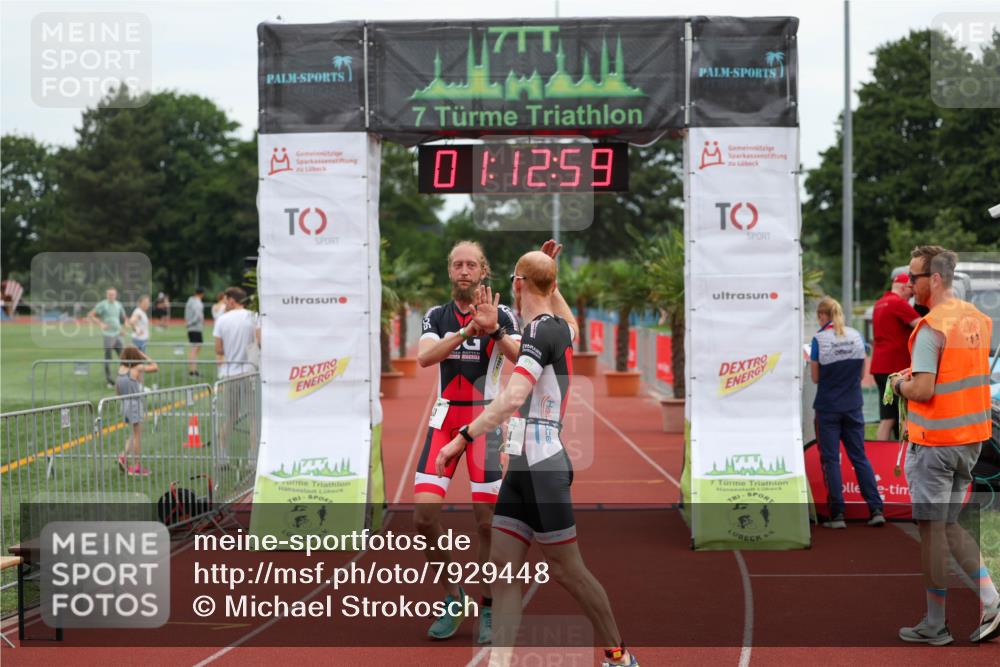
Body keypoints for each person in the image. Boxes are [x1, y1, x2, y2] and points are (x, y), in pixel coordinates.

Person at [436, 245, 639, 667]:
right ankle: (500, 661)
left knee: (568, 570)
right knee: (502, 568)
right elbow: (566, 319)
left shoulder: (539, 332)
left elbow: (513, 395)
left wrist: (462, 437)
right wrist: (547, 276)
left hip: (543, 465)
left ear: (517, 284)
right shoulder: (561, 327)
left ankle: (619, 657)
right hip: (522, 468)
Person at [414, 240, 522, 644]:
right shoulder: (437, 316)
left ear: (483, 271)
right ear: (449, 271)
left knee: (486, 523)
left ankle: (489, 606)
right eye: (457, 264)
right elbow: (425, 358)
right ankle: (452, 596)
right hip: (445, 420)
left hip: (485, 423)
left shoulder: (503, 312)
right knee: (422, 519)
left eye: (471, 265)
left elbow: (518, 357)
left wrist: (493, 328)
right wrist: (465, 330)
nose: (463, 271)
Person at [891, 246, 999, 645]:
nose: (909, 284)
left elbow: (923, 387)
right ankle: (990, 598)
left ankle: (935, 624)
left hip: (935, 442)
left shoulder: (931, 327)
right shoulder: (979, 320)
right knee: (948, 526)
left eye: (914, 277)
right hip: (969, 440)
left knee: (933, 532)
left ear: (934, 279)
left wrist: (899, 383)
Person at [810, 296, 885, 529]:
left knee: (831, 460)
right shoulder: (856, 336)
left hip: (827, 407)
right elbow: (862, 375)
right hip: (853, 405)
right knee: (859, 457)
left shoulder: (818, 340)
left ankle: (838, 514)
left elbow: (815, 377)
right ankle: (875, 509)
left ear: (823, 315)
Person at [871, 273, 921, 441]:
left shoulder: (879, 303)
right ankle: (903, 455)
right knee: (902, 415)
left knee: (887, 417)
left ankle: (880, 456)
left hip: (879, 366)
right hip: (894, 367)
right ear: (902, 287)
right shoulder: (898, 303)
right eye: (910, 291)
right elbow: (922, 326)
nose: (912, 296)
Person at [115, 346, 158, 477]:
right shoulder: (137, 368)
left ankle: (123, 456)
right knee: (137, 435)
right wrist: (144, 356)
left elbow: (117, 389)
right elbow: (155, 367)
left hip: (124, 403)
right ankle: (136, 466)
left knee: (133, 434)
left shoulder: (121, 369)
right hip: (134, 403)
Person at [213, 287, 259, 378]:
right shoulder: (254, 316)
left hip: (228, 372)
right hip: (250, 371)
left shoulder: (221, 319)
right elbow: (259, 342)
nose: (224, 304)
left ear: (231, 301)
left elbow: (218, 349)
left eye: (225, 301)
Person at [88, 287, 129, 388]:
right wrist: (100, 324)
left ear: (116, 295)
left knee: (123, 357)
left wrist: (124, 328)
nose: (111, 296)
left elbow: (124, 318)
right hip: (108, 336)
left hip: (118, 334)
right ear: (106, 295)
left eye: (113, 294)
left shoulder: (119, 305)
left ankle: (123, 378)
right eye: (109, 294)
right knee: (108, 358)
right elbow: (90, 315)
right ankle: (109, 381)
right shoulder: (103, 304)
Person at [186, 287, 206, 376]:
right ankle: (193, 370)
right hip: (195, 328)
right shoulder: (197, 303)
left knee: (194, 349)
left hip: (192, 328)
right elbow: (198, 315)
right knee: (194, 349)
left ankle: (193, 369)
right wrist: (191, 323)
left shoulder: (190, 301)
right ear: (202, 294)